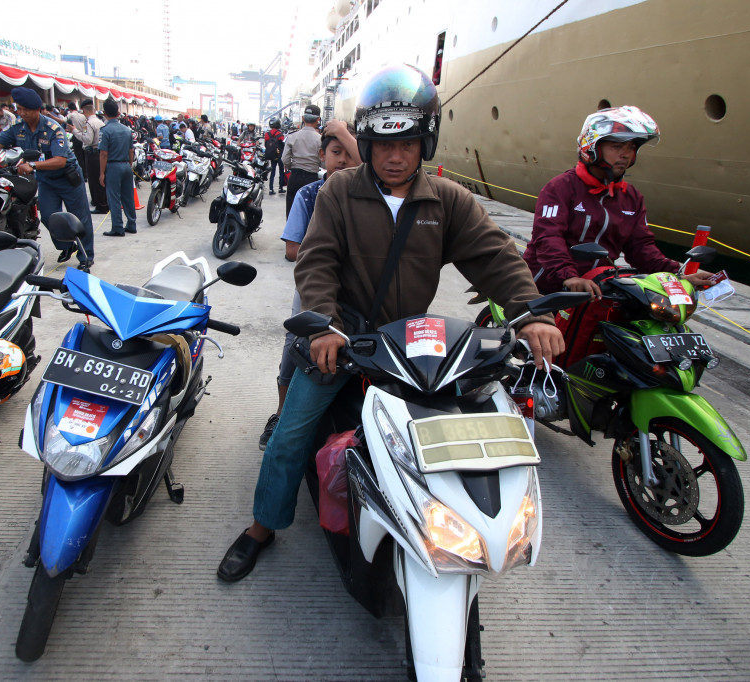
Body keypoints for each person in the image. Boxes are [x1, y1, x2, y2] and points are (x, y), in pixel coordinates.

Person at [217, 64, 564, 582]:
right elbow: (316, 262)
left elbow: (496, 257)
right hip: (343, 336)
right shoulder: (338, 193)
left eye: (408, 143)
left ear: (426, 142)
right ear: (367, 143)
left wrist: (531, 311)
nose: (395, 156)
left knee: (446, 437)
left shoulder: (447, 201)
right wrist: (324, 327)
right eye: (383, 145)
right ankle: (262, 527)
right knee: (291, 432)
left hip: (410, 343)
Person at [523, 105, 713, 296]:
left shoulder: (632, 197)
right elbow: (548, 237)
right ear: (592, 146)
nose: (626, 154)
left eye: (631, 147)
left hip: (597, 289)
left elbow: (641, 247)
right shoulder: (561, 187)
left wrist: (676, 275)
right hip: (546, 287)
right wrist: (568, 276)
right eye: (617, 146)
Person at [258, 120, 360, 450]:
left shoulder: (366, 195)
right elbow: (292, 250)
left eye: (348, 152)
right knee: (295, 348)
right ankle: (280, 413)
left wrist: (344, 132)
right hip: (314, 290)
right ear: (321, 156)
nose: (342, 160)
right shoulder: (310, 194)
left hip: (358, 294)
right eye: (335, 152)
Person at [0, 86, 96, 269]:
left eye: (26, 110)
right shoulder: (18, 128)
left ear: (37, 110)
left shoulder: (52, 129)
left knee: (80, 217)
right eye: (19, 109)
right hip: (46, 180)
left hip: (67, 178)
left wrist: (32, 165)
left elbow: (60, 160)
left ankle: (86, 256)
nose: (22, 113)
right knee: (49, 217)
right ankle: (67, 245)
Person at [98, 98, 138, 236]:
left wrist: (102, 173)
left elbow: (103, 154)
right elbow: (131, 151)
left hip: (113, 166)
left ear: (104, 113)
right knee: (128, 197)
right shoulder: (127, 130)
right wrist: (129, 165)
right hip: (126, 164)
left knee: (114, 198)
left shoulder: (105, 130)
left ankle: (117, 227)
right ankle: (132, 224)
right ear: (118, 112)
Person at [281, 104, 323, 216]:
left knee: (291, 213)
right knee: (310, 214)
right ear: (318, 120)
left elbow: (285, 159)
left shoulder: (292, 137)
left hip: (295, 177)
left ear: (303, 118)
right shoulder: (320, 139)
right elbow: (323, 161)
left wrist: (292, 166)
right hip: (312, 179)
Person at [69, 98, 108, 214]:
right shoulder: (100, 122)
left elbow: (87, 139)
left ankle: (100, 205)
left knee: (94, 181)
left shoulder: (88, 124)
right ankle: (103, 203)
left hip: (92, 154)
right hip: (100, 153)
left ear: (83, 111)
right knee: (101, 180)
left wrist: (75, 131)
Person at [263, 118, 286, 195]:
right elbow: (283, 144)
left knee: (272, 172)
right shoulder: (280, 134)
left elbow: (265, 144)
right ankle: (280, 188)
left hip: (272, 155)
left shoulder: (267, 134)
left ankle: (271, 189)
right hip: (279, 155)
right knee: (281, 171)